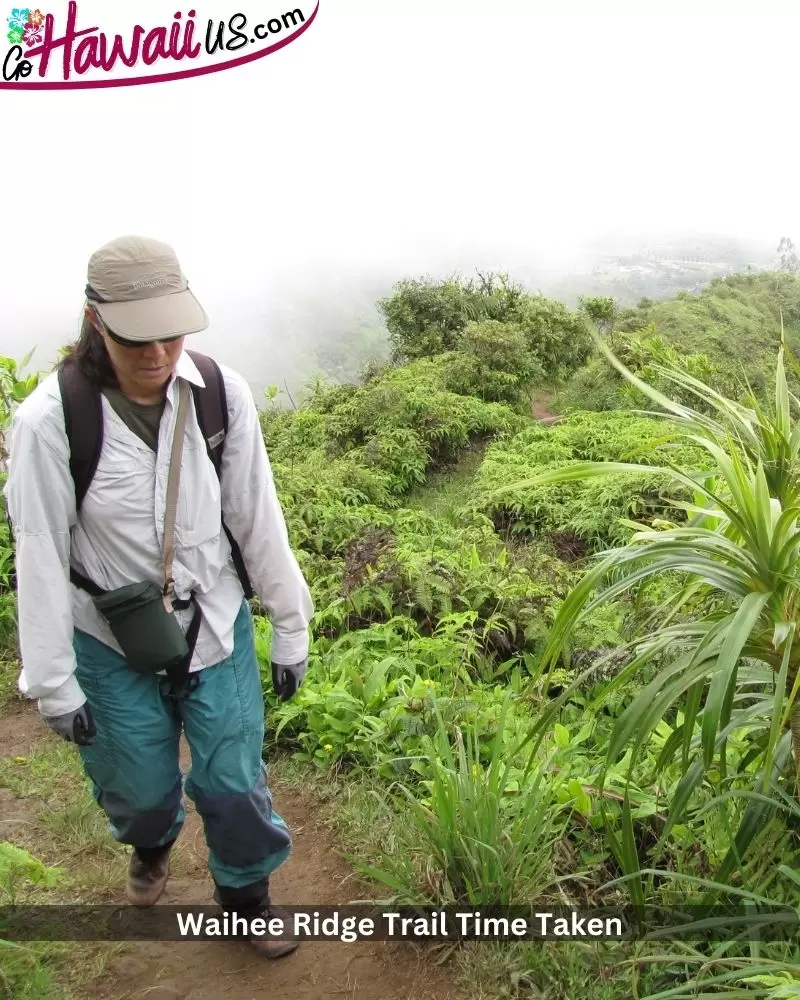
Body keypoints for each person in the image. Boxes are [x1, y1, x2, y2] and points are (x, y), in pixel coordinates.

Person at [4, 235, 314, 959]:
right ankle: (149, 845)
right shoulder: (49, 424)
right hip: (110, 640)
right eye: (136, 338)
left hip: (214, 620)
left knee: (234, 781)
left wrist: (291, 625)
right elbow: (42, 553)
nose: (157, 355)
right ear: (94, 321)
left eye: (171, 334)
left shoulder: (222, 395)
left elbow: (255, 516)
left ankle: (246, 896)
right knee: (140, 789)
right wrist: (53, 685)